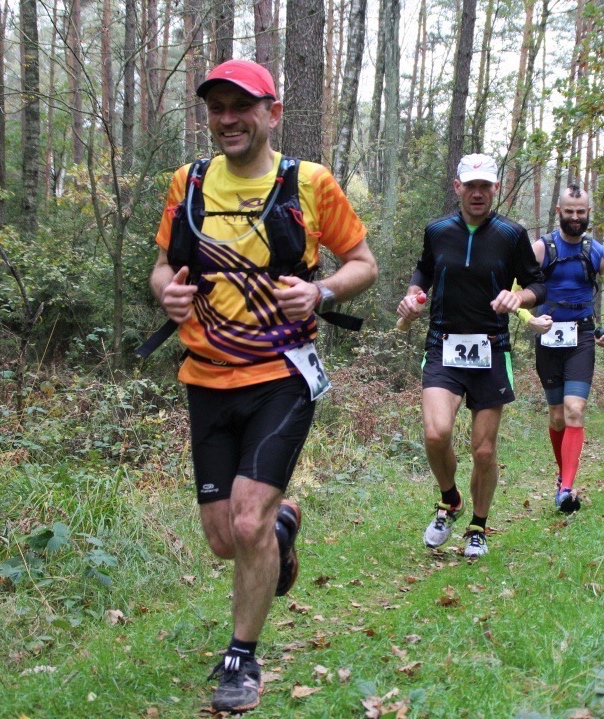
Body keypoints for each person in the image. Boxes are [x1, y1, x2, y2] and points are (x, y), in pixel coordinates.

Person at [149, 59, 377, 714]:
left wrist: (322, 290)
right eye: (216, 108)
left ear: (271, 113)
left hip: (281, 376)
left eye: (240, 107)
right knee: (225, 538)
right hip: (204, 376)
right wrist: (166, 292)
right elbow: (163, 264)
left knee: (245, 521)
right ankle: (282, 526)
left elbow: (363, 263)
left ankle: (241, 658)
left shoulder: (308, 183)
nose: (227, 119)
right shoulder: (189, 182)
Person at [396, 153, 546, 559]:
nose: (477, 193)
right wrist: (412, 297)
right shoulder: (437, 231)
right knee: (435, 434)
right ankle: (450, 500)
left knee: (483, 450)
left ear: (495, 188)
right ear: (458, 187)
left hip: (490, 348)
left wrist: (519, 297)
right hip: (443, 344)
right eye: (470, 186)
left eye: (485, 186)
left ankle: (478, 526)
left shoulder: (512, 234)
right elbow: (423, 271)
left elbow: (537, 284)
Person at [516, 184, 604, 513]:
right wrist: (529, 320)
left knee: (575, 409)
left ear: (588, 212)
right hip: (548, 339)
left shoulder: (596, 252)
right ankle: (562, 476)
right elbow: (514, 294)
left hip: (582, 337)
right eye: (569, 211)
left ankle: (566, 489)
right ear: (559, 212)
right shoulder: (541, 249)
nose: (575, 217)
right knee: (557, 416)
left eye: (580, 212)